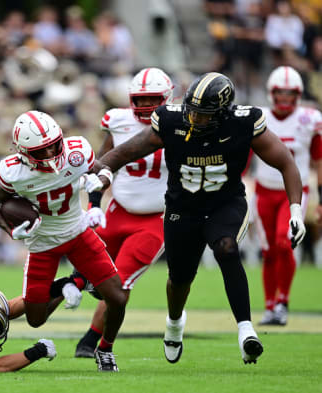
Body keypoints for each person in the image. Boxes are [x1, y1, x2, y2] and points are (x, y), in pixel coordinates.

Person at [94, 72, 304, 364]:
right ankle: (175, 321)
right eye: (192, 111)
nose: (195, 119)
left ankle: (246, 330)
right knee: (179, 279)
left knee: (227, 248)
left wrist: (295, 210)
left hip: (225, 203)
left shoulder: (243, 122)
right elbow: (127, 151)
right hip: (183, 207)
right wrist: (102, 169)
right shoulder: (172, 119)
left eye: (203, 114)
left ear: (222, 112)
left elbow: (286, 163)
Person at [0, 110, 128, 372]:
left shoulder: (75, 152)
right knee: (36, 319)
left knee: (117, 297)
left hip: (78, 232)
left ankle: (105, 349)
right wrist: (10, 231)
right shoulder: (14, 172)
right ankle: (69, 283)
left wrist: (100, 179)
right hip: (42, 244)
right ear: (24, 154)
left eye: (53, 147)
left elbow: (104, 169)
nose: (50, 155)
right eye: (41, 151)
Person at [74, 68, 172, 358]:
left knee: (119, 284)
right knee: (83, 270)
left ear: (166, 98)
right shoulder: (118, 120)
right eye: (140, 100)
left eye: (151, 99)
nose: (144, 106)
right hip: (118, 210)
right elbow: (103, 165)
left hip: (156, 218)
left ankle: (94, 341)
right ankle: (39, 307)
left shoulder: (181, 124)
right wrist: (93, 204)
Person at [254, 66, 322, 326]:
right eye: (279, 93)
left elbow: (318, 160)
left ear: (298, 94)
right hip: (263, 191)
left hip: (293, 193)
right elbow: (244, 156)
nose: (284, 98)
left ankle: (283, 302)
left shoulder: (309, 119)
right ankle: (270, 306)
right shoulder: (259, 117)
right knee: (268, 250)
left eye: (289, 93)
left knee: (285, 242)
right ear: (272, 94)